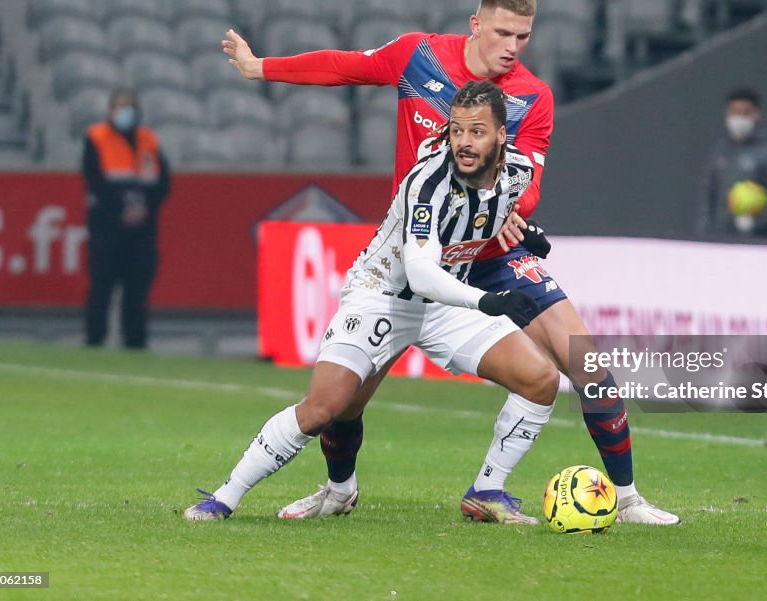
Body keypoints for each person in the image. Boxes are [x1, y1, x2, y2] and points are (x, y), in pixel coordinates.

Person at [222, 0, 678, 525]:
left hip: (492, 252)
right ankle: (339, 488)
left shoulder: (532, 96)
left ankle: (625, 500)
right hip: (420, 257)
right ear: (476, 24)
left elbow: (528, 183)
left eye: (524, 36)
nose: (512, 46)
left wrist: (512, 207)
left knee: (586, 362)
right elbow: (344, 66)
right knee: (342, 405)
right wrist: (261, 66)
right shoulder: (418, 57)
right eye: (503, 32)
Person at [186, 81, 559, 523]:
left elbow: (490, 207)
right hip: (382, 295)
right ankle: (226, 497)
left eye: (477, 132)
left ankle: (487, 490)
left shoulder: (516, 170)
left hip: (445, 306)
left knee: (541, 379)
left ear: (501, 136)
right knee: (325, 409)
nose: (464, 142)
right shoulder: (429, 181)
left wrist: (525, 231)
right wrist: (489, 302)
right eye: (457, 131)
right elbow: (421, 273)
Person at [82, 88, 170, 349]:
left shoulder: (148, 140)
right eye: (121, 107)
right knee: (102, 285)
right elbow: (95, 181)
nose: (126, 113)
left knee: (138, 289)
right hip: (108, 226)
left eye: (130, 107)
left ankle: (135, 341)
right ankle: (95, 338)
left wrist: (145, 208)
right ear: (110, 111)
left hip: (143, 230)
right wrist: (123, 209)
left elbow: (163, 183)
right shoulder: (97, 138)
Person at [698, 88, 767, 238]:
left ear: (756, 115)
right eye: (734, 113)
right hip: (720, 238)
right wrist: (705, 232)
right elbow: (708, 197)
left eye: (745, 113)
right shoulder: (719, 152)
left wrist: (756, 224)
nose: (738, 119)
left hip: (757, 241)